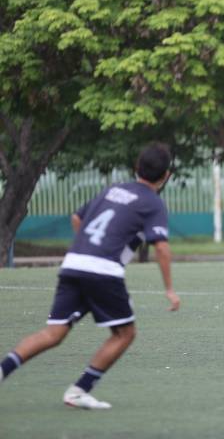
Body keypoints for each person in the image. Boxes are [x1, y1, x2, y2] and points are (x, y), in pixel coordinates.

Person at [0, 143, 181, 409]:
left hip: (73, 264)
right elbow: (162, 247)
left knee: (54, 333)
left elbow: (77, 217)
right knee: (124, 333)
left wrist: (89, 247)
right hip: (102, 272)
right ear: (166, 176)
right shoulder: (153, 202)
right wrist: (169, 289)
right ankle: (78, 391)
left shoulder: (114, 189)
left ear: (136, 168)